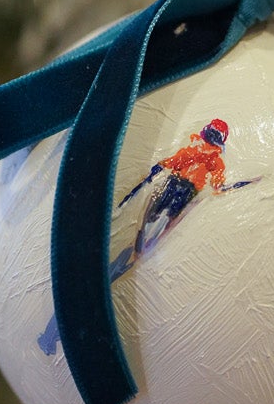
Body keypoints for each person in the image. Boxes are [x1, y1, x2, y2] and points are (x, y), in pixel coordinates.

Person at [37, 119, 256, 357]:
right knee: (125, 259)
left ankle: (57, 333)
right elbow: (210, 182)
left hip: (170, 198)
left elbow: (176, 166)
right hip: (173, 199)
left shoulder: (199, 152)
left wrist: (161, 169)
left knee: (126, 258)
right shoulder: (207, 157)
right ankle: (57, 333)